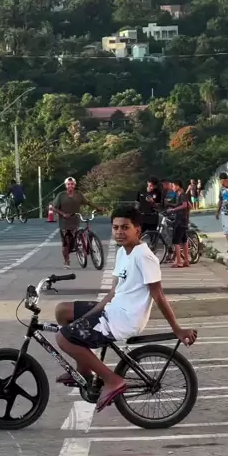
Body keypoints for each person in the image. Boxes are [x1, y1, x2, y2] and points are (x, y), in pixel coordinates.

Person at [54, 205, 197, 410]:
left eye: (125, 227)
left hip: (126, 319)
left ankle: (112, 380)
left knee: (63, 338)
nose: (119, 232)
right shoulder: (123, 252)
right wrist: (89, 315)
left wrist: (177, 329)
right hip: (113, 309)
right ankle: (85, 372)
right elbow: (113, 292)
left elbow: (158, 295)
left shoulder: (144, 257)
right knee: (63, 311)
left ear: (137, 230)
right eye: (115, 227)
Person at [52, 176, 102, 268]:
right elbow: (53, 208)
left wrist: (97, 207)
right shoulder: (61, 195)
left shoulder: (78, 194)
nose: (70, 186)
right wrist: (63, 214)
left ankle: (82, 247)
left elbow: (87, 202)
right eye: (68, 184)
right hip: (65, 223)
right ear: (66, 186)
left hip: (75, 220)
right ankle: (66, 261)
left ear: (74, 185)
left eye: (72, 184)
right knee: (66, 243)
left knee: (75, 238)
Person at [169, 179, 190, 267]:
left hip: (180, 220)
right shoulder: (179, 195)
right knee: (184, 240)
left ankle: (179, 261)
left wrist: (174, 209)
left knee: (176, 241)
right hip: (183, 220)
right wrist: (170, 205)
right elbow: (186, 205)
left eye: (173, 186)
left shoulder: (182, 194)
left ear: (178, 185)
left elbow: (185, 205)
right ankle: (186, 260)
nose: (172, 188)